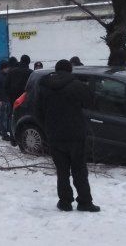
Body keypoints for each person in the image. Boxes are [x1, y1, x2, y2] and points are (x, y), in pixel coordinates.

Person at [36, 60, 99, 213]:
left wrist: (48, 128)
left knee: (62, 171)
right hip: (76, 134)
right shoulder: (77, 86)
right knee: (79, 170)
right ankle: (84, 202)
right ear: (70, 70)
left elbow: (37, 111)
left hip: (55, 135)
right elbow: (91, 103)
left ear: (56, 70)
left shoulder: (44, 86)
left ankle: (65, 202)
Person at [0, 61, 12, 140]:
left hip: (7, 99)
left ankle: (7, 131)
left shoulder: (6, 75)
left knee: (7, 117)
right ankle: (4, 134)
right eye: (7, 67)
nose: (8, 69)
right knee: (3, 118)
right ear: (3, 68)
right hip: (2, 100)